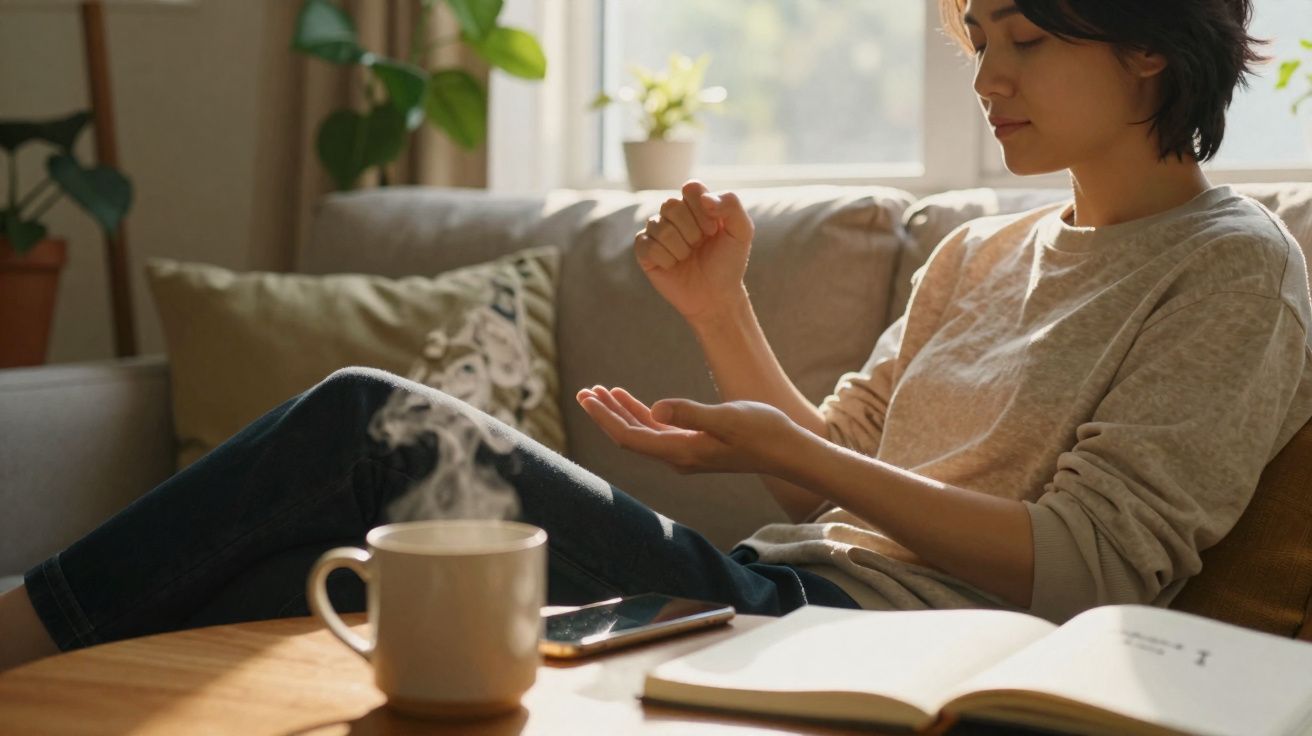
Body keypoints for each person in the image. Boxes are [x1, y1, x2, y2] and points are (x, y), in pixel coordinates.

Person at [2, 0, 1309, 672]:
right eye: (977, 37)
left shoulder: (1234, 271)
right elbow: (822, 464)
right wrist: (721, 317)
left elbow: (1088, 570)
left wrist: (784, 454)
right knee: (298, 587)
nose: (985, 76)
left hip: (860, 637)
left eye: (1022, 39)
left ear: (1148, 48)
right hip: (772, 588)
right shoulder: (983, 250)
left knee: (370, 423)